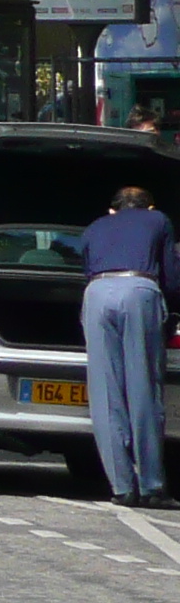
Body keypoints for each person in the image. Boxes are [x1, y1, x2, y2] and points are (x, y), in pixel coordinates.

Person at [82, 185, 180, 508]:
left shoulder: (95, 226)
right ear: (149, 208)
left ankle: (121, 486)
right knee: (143, 389)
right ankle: (152, 485)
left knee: (105, 391)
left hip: (96, 293)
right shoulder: (159, 221)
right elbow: (171, 276)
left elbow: (86, 270)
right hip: (139, 288)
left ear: (113, 210)